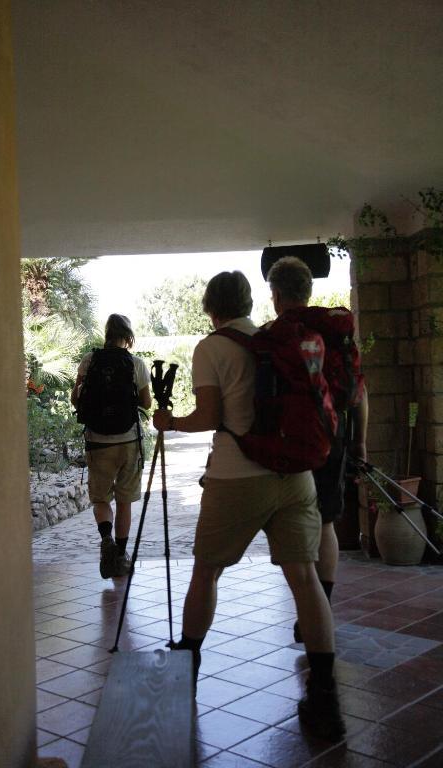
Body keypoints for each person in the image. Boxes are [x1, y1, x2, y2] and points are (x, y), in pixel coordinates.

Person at [154, 271, 346, 743]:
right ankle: (324, 691)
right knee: (303, 577)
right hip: (295, 475)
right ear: (250, 301)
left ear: (210, 307)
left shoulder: (211, 348)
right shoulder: (275, 339)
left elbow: (209, 417)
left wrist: (169, 421)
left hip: (237, 478)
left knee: (206, 571)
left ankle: (190, 660)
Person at [265, 256, 368, 643]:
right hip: (332, 434)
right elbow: (359, 391)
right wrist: (359, 442)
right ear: (308, 291)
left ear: (275, 296)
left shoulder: (273, 335)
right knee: (326, 521)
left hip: (287, 440)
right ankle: (321, 603)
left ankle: (306, 608)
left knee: (290, 521)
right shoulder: (334, 331)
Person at [71, 314, 151, 578]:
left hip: (97, 441)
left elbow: (76, 399)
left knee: (101, 498)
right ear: (127, 335)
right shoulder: (135, 363)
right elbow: (147, 403)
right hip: (128, 440)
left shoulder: (89, 360)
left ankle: (106, 540)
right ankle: (120, 555)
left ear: (106, 334)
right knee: (125, 500)